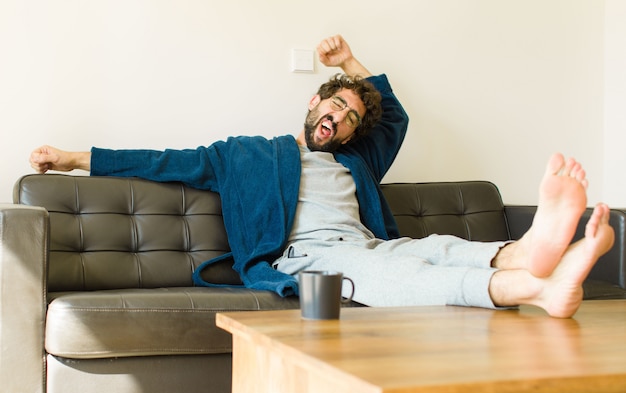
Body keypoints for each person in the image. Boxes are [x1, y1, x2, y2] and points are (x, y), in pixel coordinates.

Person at [29, 35, 614, 318]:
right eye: (335, 107)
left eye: (353, 117)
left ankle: (533, 252)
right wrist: (76, 158)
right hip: (306, 261)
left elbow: (397, 115)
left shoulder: (356, 164)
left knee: (436, 246)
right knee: (394, 269)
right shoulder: (249, 155)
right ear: (314, 104)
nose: (340, 119)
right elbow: (162, 161)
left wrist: (353, 64)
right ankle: (531, 286)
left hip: (367, 246)